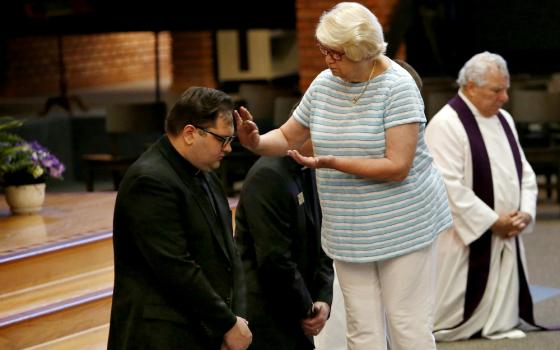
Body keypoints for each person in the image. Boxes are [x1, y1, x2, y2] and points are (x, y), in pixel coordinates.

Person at [234, 3, 452, 349]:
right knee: (361, 328)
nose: (327, 61)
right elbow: (289, 136)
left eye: (336, 54)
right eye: (325, 52)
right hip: (349, 228)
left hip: (404, 224)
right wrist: (257, 141)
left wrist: (334, 162)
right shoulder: (325, 83)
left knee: (406, 325)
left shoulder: (398, 87)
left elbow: (398, 166)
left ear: (362, 52)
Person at [108, 86, 252, 350]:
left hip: (206, 327)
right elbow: (175, 267)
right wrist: (226, 324)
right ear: (189, 133)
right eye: (223, 139)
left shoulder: (205, 172)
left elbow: (229, 252)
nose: (229, 149)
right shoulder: (150, 181)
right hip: (162, 335)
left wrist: (235, 320)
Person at [425, 51, 539, 341]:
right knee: (453, 308)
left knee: (502, 309)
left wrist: (524, 212)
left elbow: (523, 171)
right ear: (471, 87)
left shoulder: (504, 120)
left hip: (506, 229)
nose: (505, 98)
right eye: (496, 90)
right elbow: (447, 185)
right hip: (466, 235)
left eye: (506, 89)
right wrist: (491, 221)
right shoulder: (446, 124)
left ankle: (498, 319)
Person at [235, 139, 334, 349]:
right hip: (268, 318)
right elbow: (275, 260)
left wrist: (323, 299)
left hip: (298, 314)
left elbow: (326, 238)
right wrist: (307, 309)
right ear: (306, 133)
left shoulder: (312, 170)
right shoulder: (268, 175)